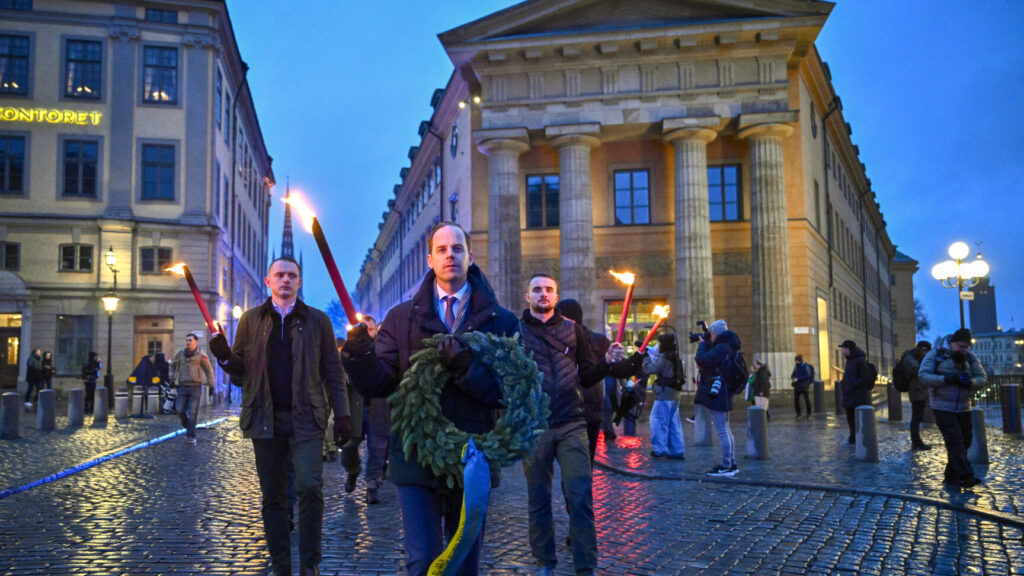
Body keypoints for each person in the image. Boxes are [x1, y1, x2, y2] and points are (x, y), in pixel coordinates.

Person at [342, 222, 518, 576]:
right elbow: (382, 383)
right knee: (422, 560)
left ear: (471, 256)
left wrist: (468, 369)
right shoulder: (401, 318)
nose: (450, 255)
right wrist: (360, 358)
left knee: (464, 560)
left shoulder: (500, 321)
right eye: (442, 249)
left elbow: (508, 389)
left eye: (457, 248)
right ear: (430, 259)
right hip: (415, 455)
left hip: (473, 455)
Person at [208, 256, 351, 576]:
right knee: (273, 496)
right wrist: (225, 357)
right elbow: (241, 375)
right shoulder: (251, 321)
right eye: (280, 275)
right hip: (265, 418)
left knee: (309, 487)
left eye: (292, 275)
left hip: (307, 418)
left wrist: (342, 414)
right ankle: (280, 563)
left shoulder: (318, 321)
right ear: (268, 281)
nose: (286, 280)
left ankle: (309, 563)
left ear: (299, 281)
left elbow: (333, 371)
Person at [519, 273, 631, 576]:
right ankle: (545, 561)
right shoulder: (516, 333)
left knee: (580, 495)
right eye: (537, 290)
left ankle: (586, 564)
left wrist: (607, 362)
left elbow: (587, 376)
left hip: (572, 422)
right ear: (527, 297)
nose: (543, 294)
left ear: (556, 297)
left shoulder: (574, 331)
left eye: (548, 290)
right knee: (538, 498)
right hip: (535, 426)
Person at [918, 329, 987, 488]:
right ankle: (966, 475)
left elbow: (982, 377)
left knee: (966, 440)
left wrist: (970, 383)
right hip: (941, 405)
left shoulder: (970, 357)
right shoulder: (936, 354)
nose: (963, 350)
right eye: (960, 346)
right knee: (954, 440)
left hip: (964, 406)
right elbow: (923, 376)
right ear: (952, 343)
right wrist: (947, 379)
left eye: (966, 347)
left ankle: (950, 476)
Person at [554, 298, 612, 463]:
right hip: (565, 411)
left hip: (587, 409)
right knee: (571, 463)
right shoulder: (556, 339)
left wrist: (637, 357)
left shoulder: (597, 341)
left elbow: (615, 370)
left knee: (583, 462)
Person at [694, 319, 742, 477]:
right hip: (724, 391)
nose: (710, 336)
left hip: (719, 392)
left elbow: (702, 359)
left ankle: (727, 466)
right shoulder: (728, 347)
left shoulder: (722, 348)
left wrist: (702, 345)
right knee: (725, 429)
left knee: (722, 430)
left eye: (711, 333)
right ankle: (731, 463)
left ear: (716, 333)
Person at [642, 333, 686, 460]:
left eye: (659, 343)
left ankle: (660, 449)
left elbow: (650, 369)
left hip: (664, 394)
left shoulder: (664, 357)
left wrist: (645, 357)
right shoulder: (675, 356)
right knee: (673, 423)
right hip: (675, 393)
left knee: (658, 421)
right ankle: (677, 450)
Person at [171, 334, 215, 444]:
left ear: (196, 341)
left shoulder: (201, 354)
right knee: (179, 409)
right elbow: (172, 366)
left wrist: (211, 385)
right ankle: (188, 425)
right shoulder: (180, 353)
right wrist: (172, 378)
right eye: (186, 340)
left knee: (193, 412)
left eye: (190, 340)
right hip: (182, 386)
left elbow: (208, 370)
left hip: (196, 387)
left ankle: (191, 435)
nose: (188, 342)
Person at [901, 340, 933, 450]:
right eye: (924, 350)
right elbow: (917, 370)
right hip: (917, 391)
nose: (926, 353)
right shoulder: (910, 357)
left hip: (920, 390)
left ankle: (916, 441)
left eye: (928, 351)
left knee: (918, 417)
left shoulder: (916, 357)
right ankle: (916, 442)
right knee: (916, 417)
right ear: (919, 349)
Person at [838, 340, 872, 446]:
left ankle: (856, 439)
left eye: (843, 348)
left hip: (857, 395)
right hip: (849, 394)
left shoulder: (860, 360)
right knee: (850, 418)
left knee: (856, 419)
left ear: (848, 349)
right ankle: (853, 438)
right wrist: (844, 383)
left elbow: (865, 377)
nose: (842, 350)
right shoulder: (849, 359)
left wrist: (853, 383)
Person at [790, 355, 815, 419]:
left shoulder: (805, 366)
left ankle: (809, 413)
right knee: (796, 400)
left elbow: (807, 375)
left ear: (799, 361)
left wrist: (798, 379)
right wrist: (793, 378)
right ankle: (798, 413)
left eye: (796, 361)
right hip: (797, 386)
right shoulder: (796, 367)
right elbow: (793, 374)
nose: (795, 362)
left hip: (804, 386)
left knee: (806, 400)